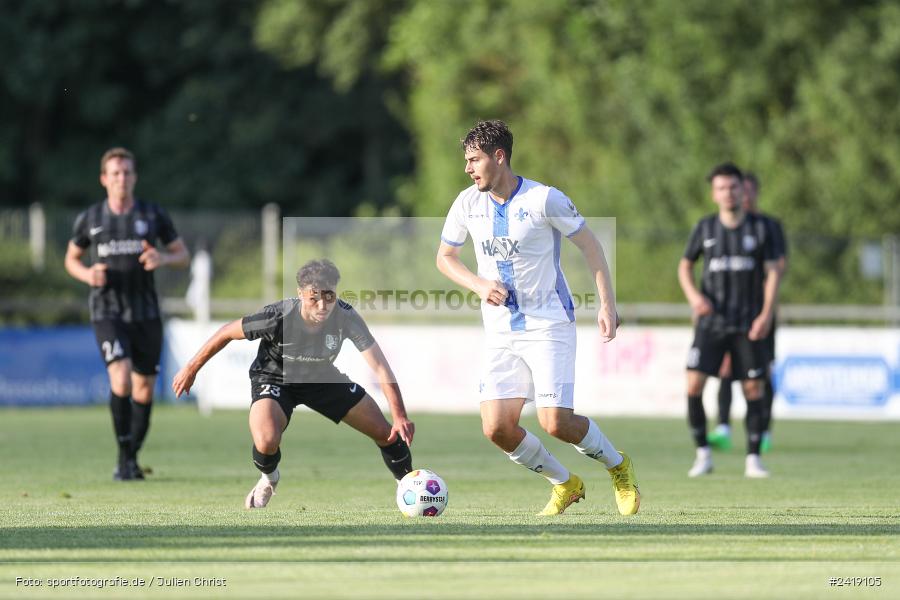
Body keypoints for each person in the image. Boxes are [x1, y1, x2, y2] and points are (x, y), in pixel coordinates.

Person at [436, 120, 639, 516]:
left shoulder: (544, 199)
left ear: (499, 157)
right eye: (466, 160)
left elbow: (591, 246)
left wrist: (607, 305)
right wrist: (479, 285)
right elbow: (445, 258)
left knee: (556, 422)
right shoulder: (467, 203)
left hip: (549, 326)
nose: (468, 168)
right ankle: (565, 483)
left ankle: (618, 465)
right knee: (496, 428)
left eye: (474, 159)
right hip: (499, 332)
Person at [172, 259, 414, 509]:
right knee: (266, 440)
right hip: (274, 378)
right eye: (314, 299)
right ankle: (269, 478)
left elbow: (380, 366)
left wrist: (400, 415)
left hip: (321, 378)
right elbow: (226, 332)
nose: (323, 306)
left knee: (387, 433)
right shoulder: (277, 317)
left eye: (329, 297)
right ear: (301, 294)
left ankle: (411, 488)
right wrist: (192, 367)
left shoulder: (346, 316)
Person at [65, 147, 190, 481]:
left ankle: (131, 457)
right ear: (104, 179)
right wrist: (87, 275)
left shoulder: (152, 215)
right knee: (119, 376)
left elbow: (182, 254)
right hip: (107, 311)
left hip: (146, 313)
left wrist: (162, 259)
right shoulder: (91, 219)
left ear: (134, 177)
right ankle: (123, 458)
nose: (121, 178)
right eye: (115, 173)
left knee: (145, 389)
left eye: (127, 172)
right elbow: (71, 259)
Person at [678, 163, 782, 478]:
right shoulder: (705, 228)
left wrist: (766, 314)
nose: (728, 193)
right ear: (714, 193)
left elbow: (774, 272)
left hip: (748, 323)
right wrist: (695, 297)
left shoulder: (761, 228)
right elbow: (685, 266)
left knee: (753, 388)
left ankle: (753, 459)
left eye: (733, 187)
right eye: (722, 188)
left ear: (742, 190)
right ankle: (703, 454)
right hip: (711, 323)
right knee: (694, 383)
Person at [708, 172, 788, 453]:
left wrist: (766, 308)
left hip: (760, 313)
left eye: (749, 191)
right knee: (726, 367)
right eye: (743, 190)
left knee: (762, 373)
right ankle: (723, 428)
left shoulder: (768, 227)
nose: (745, 195)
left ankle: (763, 431)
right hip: (730, 314)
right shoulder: (723, 228)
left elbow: (779, 267)